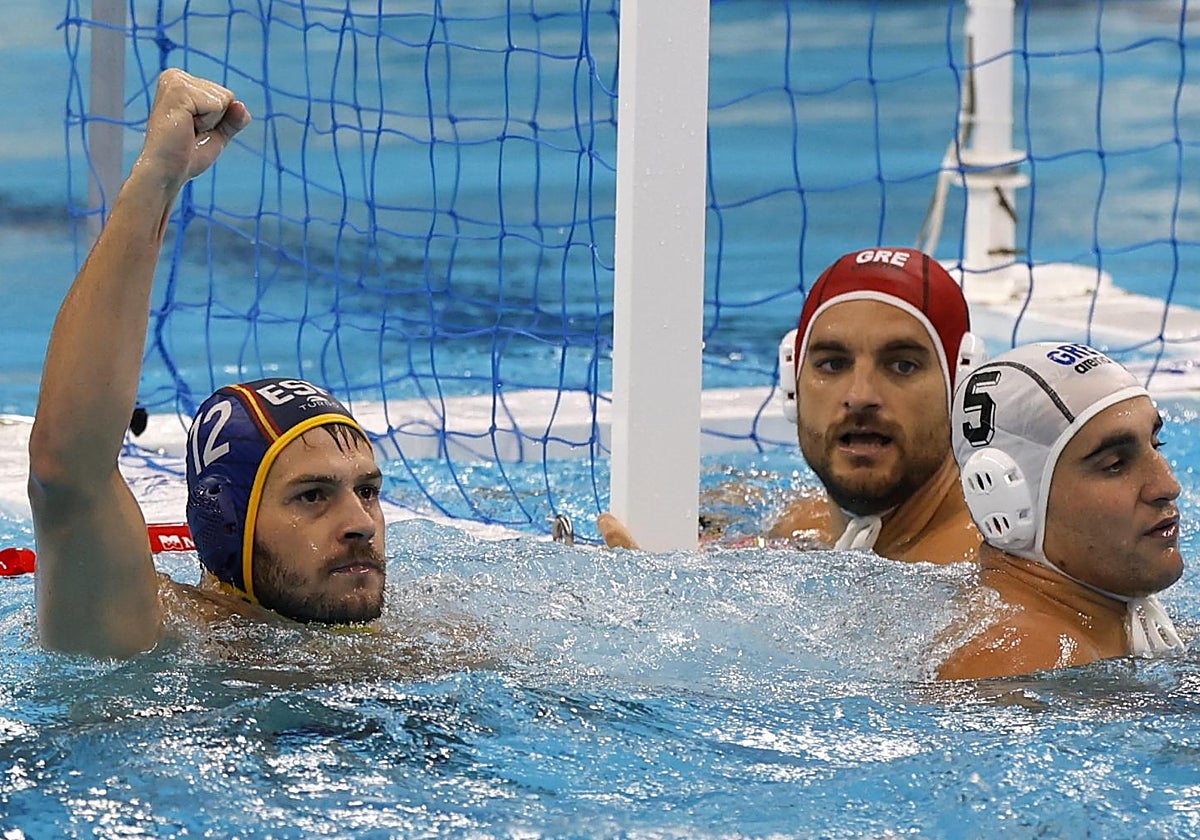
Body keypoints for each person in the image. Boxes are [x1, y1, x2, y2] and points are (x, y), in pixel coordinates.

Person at [28, 69, 387, 658]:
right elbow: (64, 471)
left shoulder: (420, 642)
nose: (360, 523)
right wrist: (157, 179)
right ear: (230, 523)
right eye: (312, 496)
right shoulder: (158, 636)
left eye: (367, 490)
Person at [600, 246, 985, 564]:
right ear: (792, 384)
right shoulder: (805, 525)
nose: (861, 395)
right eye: (832, 364)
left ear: (963, 387)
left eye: (902, 365)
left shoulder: (987, 575)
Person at [935, 342, 1185, 680]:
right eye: (1115, 465)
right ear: (1009, 499)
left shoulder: (1095, 619)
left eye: (1156, 445)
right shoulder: (1022, 660)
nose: (1167, 486)